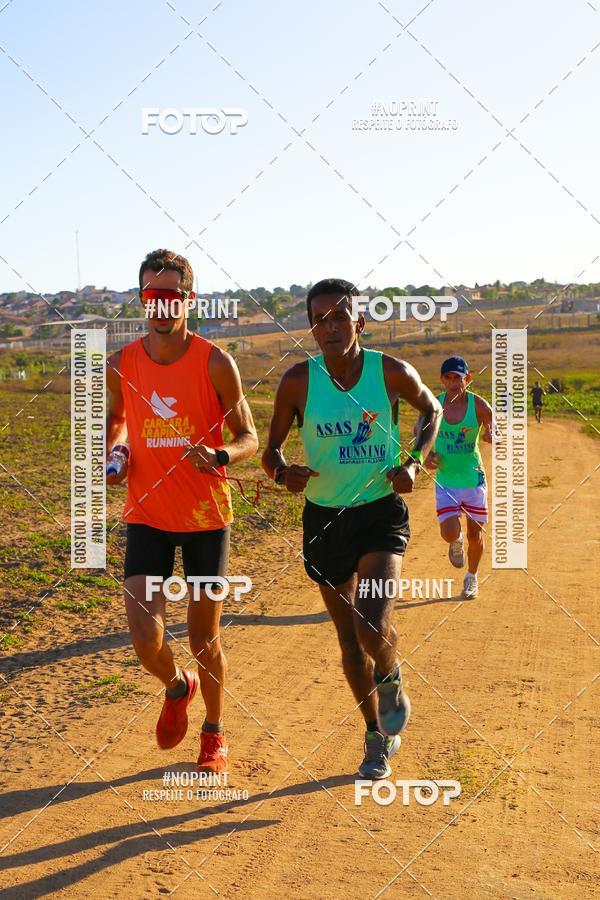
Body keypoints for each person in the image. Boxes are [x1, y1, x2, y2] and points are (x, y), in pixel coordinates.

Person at [262, 278, 441, 780]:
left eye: (341, 317)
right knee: (347, 641)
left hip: (379, 513)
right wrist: (283, 473)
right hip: (323, 520)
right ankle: (375, 736)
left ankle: (390, 676)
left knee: (370, 623)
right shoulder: (298, 382)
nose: (331, 327)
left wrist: (413, 461)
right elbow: (270, 452)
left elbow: (432, 409)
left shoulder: (389, 372)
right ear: (310, 328)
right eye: (320, 319)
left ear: (360, 321)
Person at [106, 249, 258, 773]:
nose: (163, 305)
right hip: (146, 512)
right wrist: (117, 452)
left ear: (188, 299)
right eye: (153, 295)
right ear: (143, 299)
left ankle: (213, 732)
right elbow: (117, 421)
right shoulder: (122, 363)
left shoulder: (215, 362)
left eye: (173, 295)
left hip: (205, 518)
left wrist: (219, 455)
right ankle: (177, 686)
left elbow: (248, 437)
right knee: (146, 640)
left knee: (203, 639)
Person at [425, 356, 492, 600]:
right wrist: (426, 455)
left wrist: (492, 435)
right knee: (449, 533)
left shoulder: (479, 406)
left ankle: (471, 578)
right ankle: (456, 541)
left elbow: (494, 426)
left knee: (477, 536)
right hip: (446, 481)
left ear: (468, 379)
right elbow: (419, 432)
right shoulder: (434, 405)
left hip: (473, 481)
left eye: (458, 378)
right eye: (448, 378)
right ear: (442, 380)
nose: (454, 383)